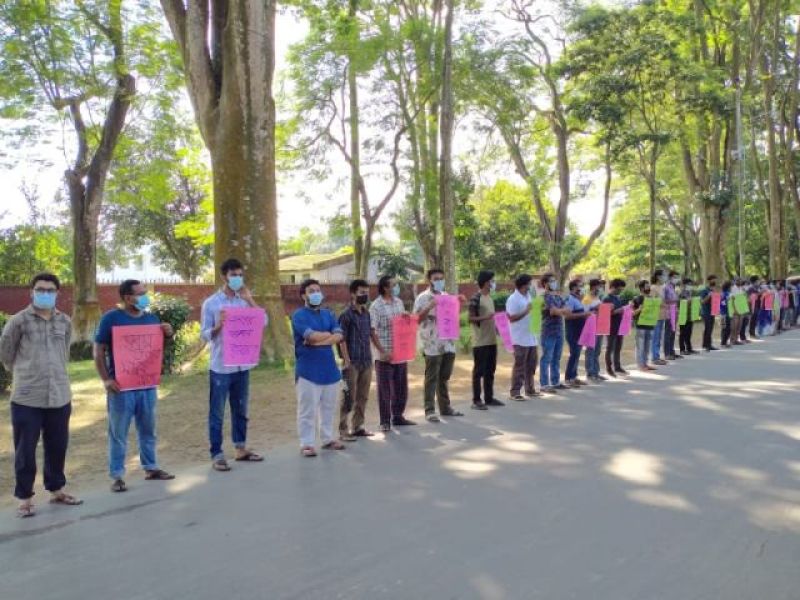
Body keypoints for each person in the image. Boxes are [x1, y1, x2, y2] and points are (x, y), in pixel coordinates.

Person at [0, 273, 82, 518]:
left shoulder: (65, 322)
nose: (45, 293)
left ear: (57, 293)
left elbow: (64, 351)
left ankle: (56, 489)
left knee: (57, 446)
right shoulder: (18, 321)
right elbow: (6, 354)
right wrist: (27, 373)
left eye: (50, 290)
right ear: (31, 291)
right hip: (27, 397)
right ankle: (25, 498)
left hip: (59, 395)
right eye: (40, 289)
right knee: (25, 450)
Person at [94, 280, 175, 492]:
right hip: (121, 387)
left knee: (148, 429)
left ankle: (151, 467)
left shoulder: (151, 318)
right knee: (118, 433)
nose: (145, 296)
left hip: (147, 386)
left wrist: (168, 333)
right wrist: (106, 379)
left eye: (145, 292)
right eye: (140, 294)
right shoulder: (111, 319)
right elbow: (98, 350)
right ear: (127, 298)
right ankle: (118, 476)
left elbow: (156, 350)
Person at [200, 258, 266, 472]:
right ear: (223, 277)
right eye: (233, 275)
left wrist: (250, 300)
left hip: (242, 365)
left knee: (241, 409)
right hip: (221, 367)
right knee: (217, 412)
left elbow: (263, 322)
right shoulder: (211, 303)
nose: (237, 278)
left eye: (240, 275)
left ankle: (240, 448)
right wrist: (219, 326)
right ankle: (217, 454)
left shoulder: (243, 300)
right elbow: (204, 335)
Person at [291, 279, 346, 457]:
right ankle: (307, 443)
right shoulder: (299, 315)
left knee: (328, 408)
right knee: (307, 410)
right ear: (303, 295)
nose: (315, 293)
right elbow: (311, 336)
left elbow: (339, 336)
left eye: (317, 290)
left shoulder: (328, 314)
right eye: (311, 291)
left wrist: (320, 340)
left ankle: (328, 439)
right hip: (308, 371)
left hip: (330, 370)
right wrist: (325, 336)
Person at [414, 269, 469, 423]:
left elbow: (452, 316)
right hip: (431, 343)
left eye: (441, 278)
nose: (439, 281)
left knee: (444, 376)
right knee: (432, 377)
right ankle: (430, 410)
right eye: (436, 278)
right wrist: (431, 304)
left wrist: (459, 302)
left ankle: (445, 408)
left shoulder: (447, 296)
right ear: (429, 280)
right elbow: (417, 318)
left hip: (448, 343)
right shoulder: (422, 298)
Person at [370, 275, 414, 431]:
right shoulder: (376, 306)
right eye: (393, 285)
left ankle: (398, 416)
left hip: (400, 352)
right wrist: (381, 351)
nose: (397, 287)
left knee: (401, 386)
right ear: (385, 288)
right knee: (384, 389)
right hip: (385, 355)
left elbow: (402, 323)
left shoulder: (399, 302)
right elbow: (372, 330)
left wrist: (406, 317)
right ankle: (385, 421)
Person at [337, 279, 374, 440]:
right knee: (349, 396)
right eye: (361, 292)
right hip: (351, 362)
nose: (365, 295)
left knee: (363, 396)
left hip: (366, 360)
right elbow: (341, 339)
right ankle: (343, 429)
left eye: (366, 292)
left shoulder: (367, 313)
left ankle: (358, 426)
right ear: (353, 294)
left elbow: (369, 335)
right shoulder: (346, 315)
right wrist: (346, 360)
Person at [506, 274, 541, 402]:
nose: (531, 286)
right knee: (519, 365)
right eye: (529, 284)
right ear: (523, 285)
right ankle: (515, 392)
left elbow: (533, 312)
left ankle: (530, 389)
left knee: (531, 364)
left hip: (531, 336)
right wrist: (526, 311)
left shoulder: (529, 297)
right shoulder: (513, 299)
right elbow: (511, 318)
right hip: (519, 338)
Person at [468, 270, 500, 409]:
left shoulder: (490, 298)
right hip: (480, 341)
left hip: (491, 340)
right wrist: (485, 318)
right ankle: (476, 400)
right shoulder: (476, 298)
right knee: (478, 371)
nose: (494, 283)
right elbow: (470, 318)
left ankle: (489, 397)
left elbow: (492, 317)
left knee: (490, 370)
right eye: (492, 280)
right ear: (486, 282)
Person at [539, 273, 570, 394]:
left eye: (554, 280)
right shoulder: (544, 297)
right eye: (551, 281)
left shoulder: (557, 296)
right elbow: (553, 312)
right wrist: (560, 311)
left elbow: (567, 310)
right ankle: (544, 384)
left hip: (559, 330)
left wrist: (560, 311)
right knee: (547, 357)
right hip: (548, 331)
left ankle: (555, 381)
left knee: (556, 358)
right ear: (545, 284)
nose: (554, 283)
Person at [564, 279, 592, 387]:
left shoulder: (579, 299)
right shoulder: (570, 299)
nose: (581, 288)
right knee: (574, 353)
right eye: (580, 286)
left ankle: (574, 376)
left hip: (580, 331)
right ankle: (569, 378)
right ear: (573, 288)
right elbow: (568, 316)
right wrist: (584, 314)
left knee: (577, 354)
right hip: (572, 331)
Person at [603, 278, 629, 377]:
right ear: (613, 287)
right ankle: (609, 368)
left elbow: (620, 310)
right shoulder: (607, 299)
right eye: (618, 289)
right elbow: (605, 314)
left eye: (621, 290)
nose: (620, 291)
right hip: (610, 326)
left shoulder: (618, 298)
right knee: (610, 348)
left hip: (619, 326)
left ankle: (617, 366)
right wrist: (617, 311)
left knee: (618, 347)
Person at [583, 278, 607, 382]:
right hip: (591, 327)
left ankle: (596, 372)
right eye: (599, 286)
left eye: (601, 286)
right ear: (593, 286)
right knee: (590, 350)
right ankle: (590, 373)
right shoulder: (587, 298)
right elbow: (585, 313)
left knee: (597, 351)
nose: (601, 288)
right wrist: (596, 308)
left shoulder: (598, 298)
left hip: (600, 326)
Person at [632, 280, 657, 371]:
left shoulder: (652, 298)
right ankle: (640, 365)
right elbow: (632, 313)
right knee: (640, 346)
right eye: (647, 286)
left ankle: (646, 363)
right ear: (642, 288)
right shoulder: (637, 299)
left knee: (647, 346)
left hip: (650, 325)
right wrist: (639, 309)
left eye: (649, 286)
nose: (649, 288)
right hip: (640, 326)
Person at [649, 269, 667, 366]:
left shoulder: (663, 287)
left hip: (662, 315)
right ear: (658, 277)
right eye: (663, 275)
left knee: (659, 336)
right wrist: (662, 303)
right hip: (656, 315)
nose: (665, 277)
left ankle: (658, 356)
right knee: (655, 337)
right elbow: (652, 301)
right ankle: (654, 357)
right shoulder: (653, 288)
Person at [662, 270, 682, 360]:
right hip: (668, 312)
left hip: (675, 311)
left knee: (673, 332)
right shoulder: (665, 287)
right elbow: (663, 300)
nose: (676, 279)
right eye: (674, 277)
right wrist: (673, 301)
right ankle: (667, 353)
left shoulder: (673, 287)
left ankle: (672, 351)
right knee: (668, 332)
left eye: (677, 277)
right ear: (670, 277)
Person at [678, 277, 698, 355]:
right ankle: (682, 349)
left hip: (690, 315)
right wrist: (687, 301)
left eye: (691, 284)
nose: (690, 286)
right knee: (683, 332)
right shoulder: (681, 293)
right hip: (683, 315)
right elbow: (679, 303)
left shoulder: (690, 292)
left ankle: (689, 348)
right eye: (689, 284)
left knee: (689, 332)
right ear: (685, 285)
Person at [699, 274, 719, 352]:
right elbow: (702, 302)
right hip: (706, 312)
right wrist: (709, 295)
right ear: (709, 281)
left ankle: (709, 344)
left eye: (716, 280)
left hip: (712, 312)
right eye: (713, 279)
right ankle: (706, 345)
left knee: (710, 328)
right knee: (707, 328)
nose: (715, 281)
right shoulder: (704, 290)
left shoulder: (714, 290)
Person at [720, 280, 733, 347]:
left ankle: (724, 342)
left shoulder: (727, 294)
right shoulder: (725, 294)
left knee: (726, 328)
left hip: (727, 313)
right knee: (726, 328)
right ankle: (723, 342)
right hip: (724, 313)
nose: (732, 288)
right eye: (731, 286)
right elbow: (723, 303)